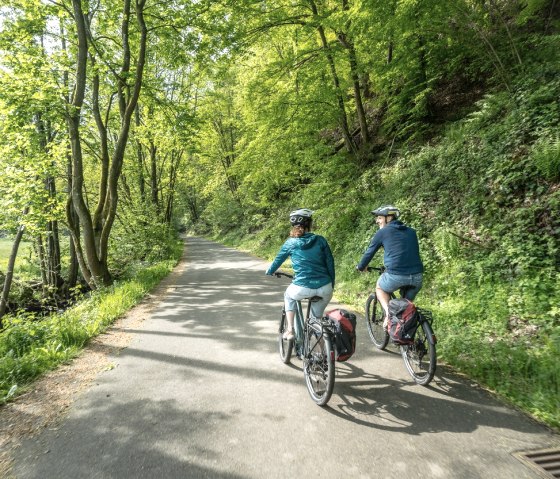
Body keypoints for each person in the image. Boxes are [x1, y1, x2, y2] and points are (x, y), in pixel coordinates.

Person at [266, 209, 335, 340]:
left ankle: (290, 330)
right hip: (325, 287)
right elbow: (330, 264)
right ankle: (321, 350)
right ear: (310, 224)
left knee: (289, 296)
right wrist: (332, 284)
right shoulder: (321, 240)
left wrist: (269, 271)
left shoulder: (290, 243)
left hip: (302, 287)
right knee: (316, 320)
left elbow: (277, 260)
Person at [356, 205, 423, 321]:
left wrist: (361, 267)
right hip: (417, 277)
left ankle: (389, 315)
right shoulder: (412, 232)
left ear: (389, 218)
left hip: (396, 276)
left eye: (380, 218)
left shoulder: (382, 233)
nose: (377, 221)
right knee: (405, 309)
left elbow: (369, 253)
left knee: (380, 288)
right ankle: (403, 327)